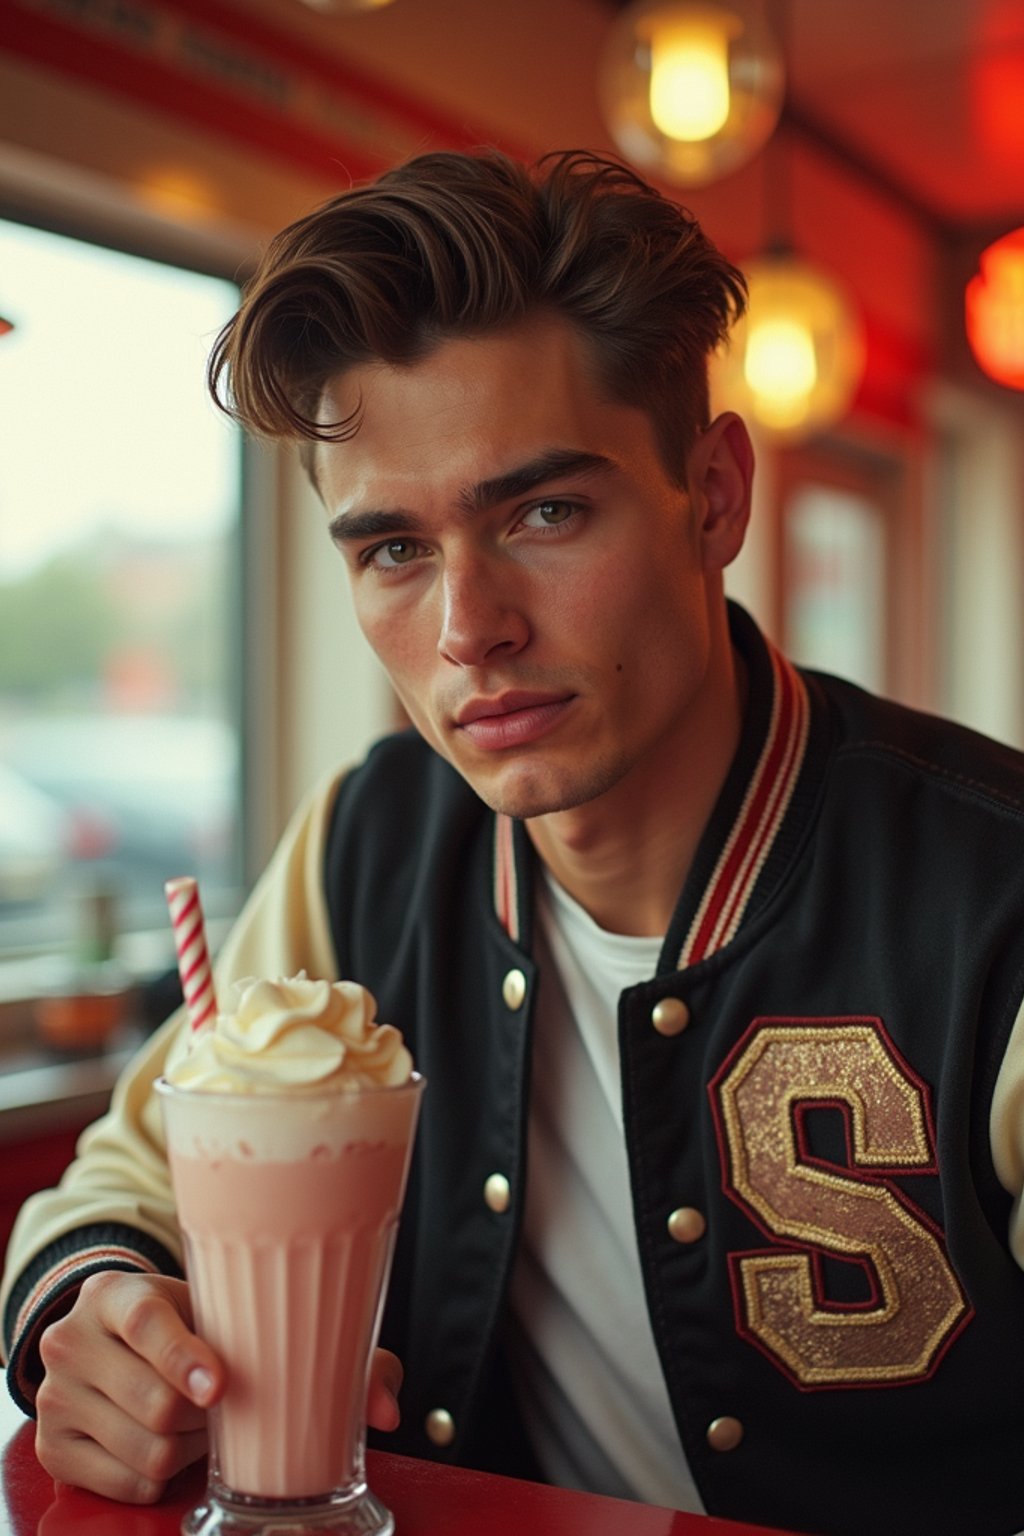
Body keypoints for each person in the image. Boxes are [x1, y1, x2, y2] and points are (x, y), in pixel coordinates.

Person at [3, 146, 1024, 1536]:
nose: (467, 629)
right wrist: (93, 1310)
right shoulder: (367, 841)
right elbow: (124, 1176)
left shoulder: (994, 898)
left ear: (714, 495)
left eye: (543, 512)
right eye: (394, 552)